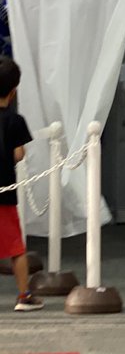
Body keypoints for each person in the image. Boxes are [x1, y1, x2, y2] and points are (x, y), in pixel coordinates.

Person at [0, 56, 44, 311]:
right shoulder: (15, 120)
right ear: (14, 90)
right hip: (5, 194)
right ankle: (23, 296)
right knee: (16, 248)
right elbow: (18, 154)